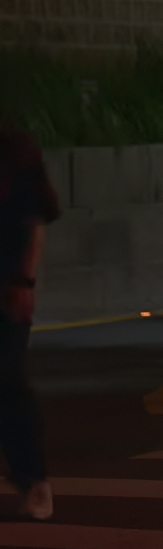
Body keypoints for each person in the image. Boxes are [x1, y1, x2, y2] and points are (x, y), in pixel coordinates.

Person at [1, 131, 58, 521]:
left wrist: (24, 279)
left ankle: (33, 480)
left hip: (5, 287)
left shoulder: (14, 152)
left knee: (6, 381)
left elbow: (35, 219)